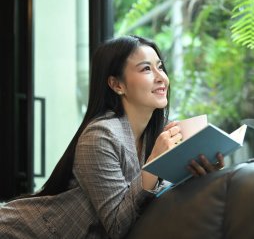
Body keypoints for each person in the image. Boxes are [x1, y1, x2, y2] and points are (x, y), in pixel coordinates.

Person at [0, 35, 225, 239]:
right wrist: (155, 164)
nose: (161, 78)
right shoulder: (100, 136)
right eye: (146, 69)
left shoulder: (157, 136)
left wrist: (199, 176)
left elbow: (157, 204)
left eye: (160, 67)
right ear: (117, 85)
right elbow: (117, 227)